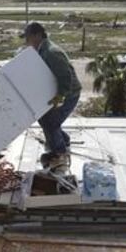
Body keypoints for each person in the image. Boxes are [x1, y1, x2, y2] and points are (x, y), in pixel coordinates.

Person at [23, 22, 82, 167]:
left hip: (69, 93)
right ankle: (64, 140)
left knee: (51, 122)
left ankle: (59, 153)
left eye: (28, 38)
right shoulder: (42, 50)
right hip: (60, 92)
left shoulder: (51, 52)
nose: (26, 42)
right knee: (46, 119)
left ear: (37, 35)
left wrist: (60, 96)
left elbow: (65, 76)